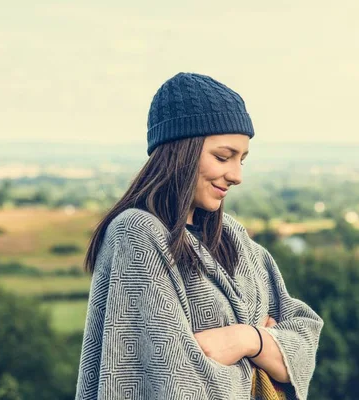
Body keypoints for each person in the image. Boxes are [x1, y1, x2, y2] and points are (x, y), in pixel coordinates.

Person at [75, 72, 324, 400]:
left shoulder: (231, 236)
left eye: (242, 160)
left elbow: (305, 331)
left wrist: (246, 340)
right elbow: (175, 383)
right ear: (181, 151)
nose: (236, 175)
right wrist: (269, 351)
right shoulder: (138, 235)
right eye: (223, 157)